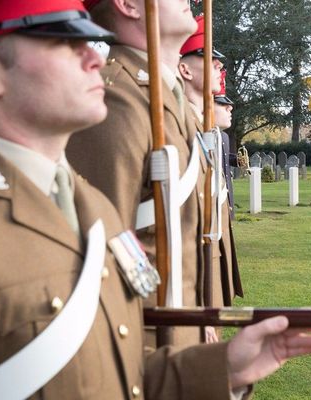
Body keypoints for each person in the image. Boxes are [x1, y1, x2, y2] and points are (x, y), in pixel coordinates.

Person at [0, 1, 311, 398]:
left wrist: (222, 368)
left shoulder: (88, 204)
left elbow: (111, 372)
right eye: (63, 42)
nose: (95, 56)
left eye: (89, 39)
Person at [66, 0, 230, 347]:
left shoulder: (168, 97)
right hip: (144, 343)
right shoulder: (115, 98)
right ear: (128, 5)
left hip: (182, 332)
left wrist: (200, 315)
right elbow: (100, 253)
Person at [179, 16, 242, 310]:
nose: (221, 69)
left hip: (210, 251)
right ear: (184, 69)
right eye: (211, 63)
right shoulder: (182, 122)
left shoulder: (202, 125)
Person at [214, 70, 238, 219]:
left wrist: (236, 160)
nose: (230, 108)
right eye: (222, 104)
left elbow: (222, 158)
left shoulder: (224, 136)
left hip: (225, 200)